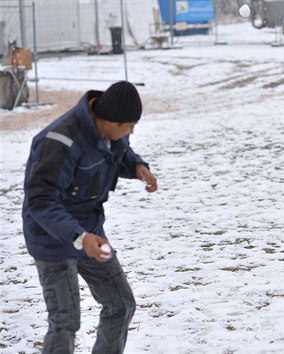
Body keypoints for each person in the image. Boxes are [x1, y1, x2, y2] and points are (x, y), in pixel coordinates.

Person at [22, 81, 158, 354]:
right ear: (108, 120)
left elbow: (121, 154)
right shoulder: (60, 141)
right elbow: (40, 201)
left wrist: (138, 167)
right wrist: (79, 238)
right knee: (65, 321)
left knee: (120, 303)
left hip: (90, 230)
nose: (132, 130)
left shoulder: (113, 133)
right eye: (129, 125)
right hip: (51, 238)